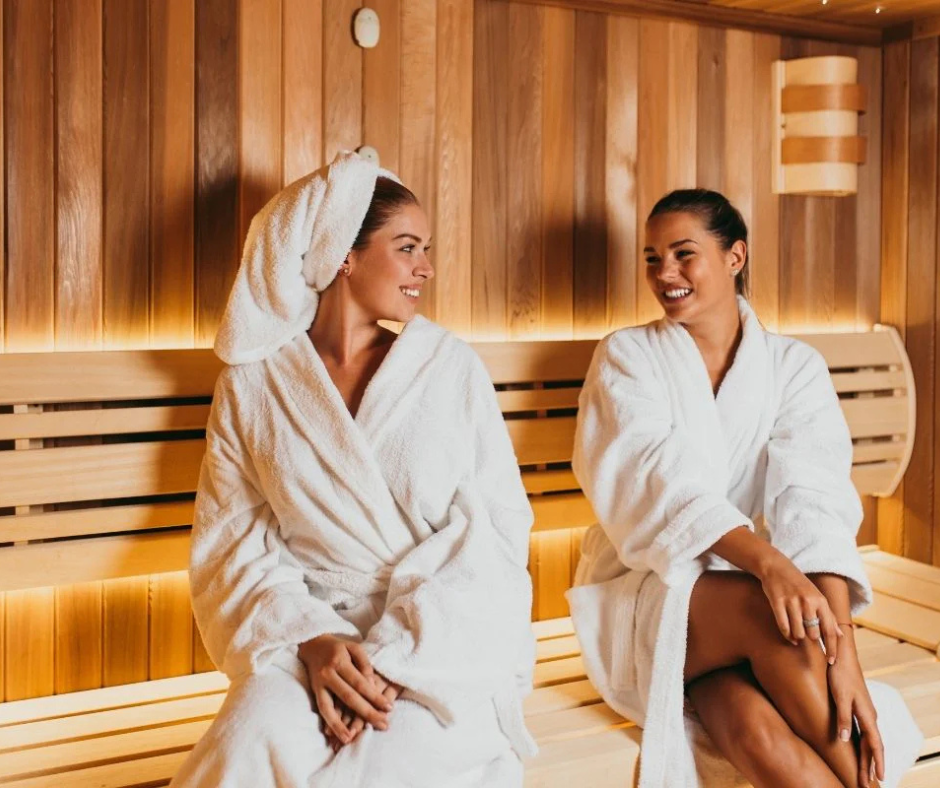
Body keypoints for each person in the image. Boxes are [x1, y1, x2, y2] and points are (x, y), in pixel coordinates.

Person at [171, 151, 537, 788]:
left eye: (426, 249)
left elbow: (495, 533)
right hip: (310, 637)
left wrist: (395, 654)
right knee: (245, 740)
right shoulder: (256, 385)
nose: (425, 267)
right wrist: (311, 639)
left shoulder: (450, 369)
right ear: (345, 253)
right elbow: (232, 540)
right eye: (406, 247)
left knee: (378, 769)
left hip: (441, 643)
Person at [567, 189, 922, 788]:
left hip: (747, 602)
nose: (665, 274)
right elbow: (653, 480)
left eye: (684, 254)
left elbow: (814, 505)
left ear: (736, 257)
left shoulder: (793, 367)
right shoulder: (627, 357)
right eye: (653, 258)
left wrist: (846, 656)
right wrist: (769, 567)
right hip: (648, 593)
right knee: (776, 618)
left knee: (754, 734)